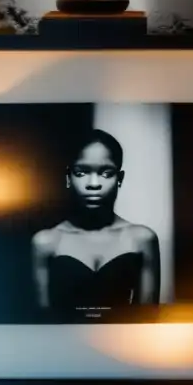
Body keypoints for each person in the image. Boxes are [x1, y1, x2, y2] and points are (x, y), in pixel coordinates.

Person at [31, 129, 160, 315]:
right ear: (69, 177)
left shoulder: (141, 238)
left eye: (106, 173)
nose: (93, 183)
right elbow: (40, 322)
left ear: (119, 179)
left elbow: (149, 319)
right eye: (81, 172)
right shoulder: (46, 242)